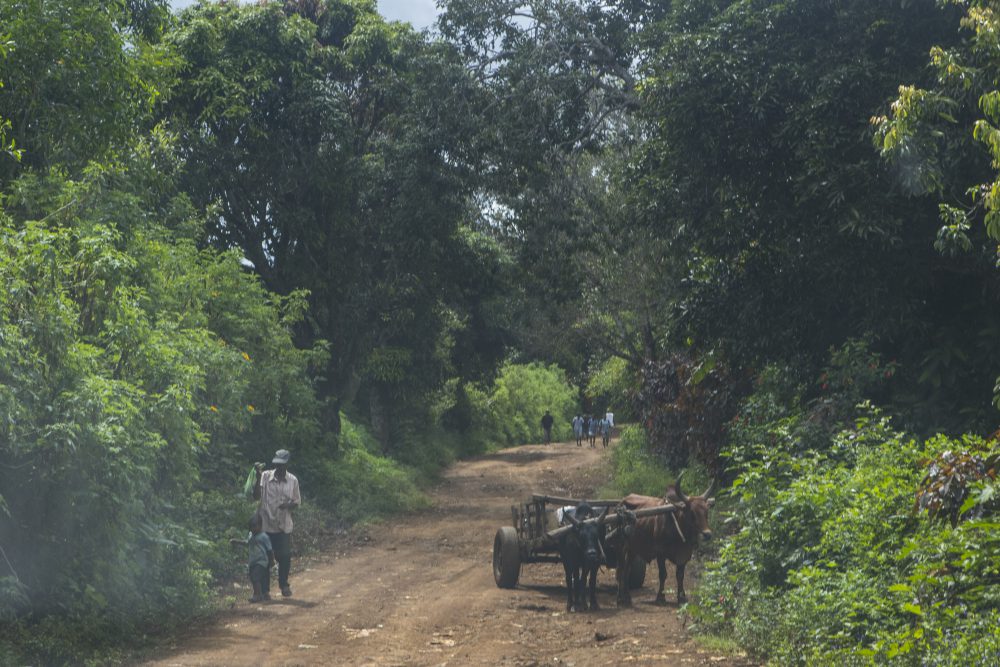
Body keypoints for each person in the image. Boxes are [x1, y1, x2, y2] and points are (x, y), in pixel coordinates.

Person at [254, 449, 301, 597]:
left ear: (286, 465)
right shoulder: (265, 477)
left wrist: (287, 506)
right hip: (266, 524)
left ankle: (283, 584)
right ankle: (265, 590)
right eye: (277, 465)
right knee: (265, 558)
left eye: (282, 465)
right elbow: (256, 496)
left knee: (285, 556)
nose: (279, 468)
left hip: (283, 525)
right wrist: (257, 477)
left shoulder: (293, 480)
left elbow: (297, 502)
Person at [232, 513, 274, 603]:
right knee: (263, 578)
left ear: (260, 525)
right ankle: (265, 594)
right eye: (251, 526)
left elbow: (270, 550)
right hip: (253, 561)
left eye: (255, 526)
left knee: (255, 577)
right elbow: (247, 543)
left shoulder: (264, 536)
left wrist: (271, 561)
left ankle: (257, 595)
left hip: (262, 561)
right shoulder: (251, 535)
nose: (253, 528)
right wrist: (237, 542)